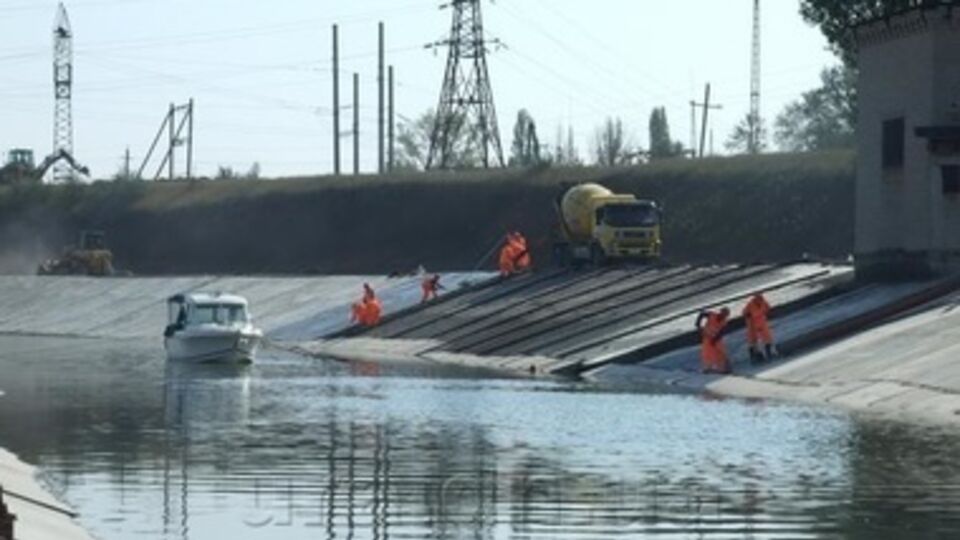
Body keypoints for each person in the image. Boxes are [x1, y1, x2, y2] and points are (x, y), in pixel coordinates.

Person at [742, 293, 778, 363]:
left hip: (762, 323)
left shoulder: (763, 302)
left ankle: (769, 354)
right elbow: (744, 313)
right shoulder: (750, 304)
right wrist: (748, 316)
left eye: (761, 299)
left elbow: (768, 308)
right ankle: (755, 357)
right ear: (755, 299)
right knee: (753, 341)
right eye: (758, 299)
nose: (760, 301)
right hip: (753, 325)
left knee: (767, 338)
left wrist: (767, 313)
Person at [696, 307, 731, 374]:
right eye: (723, 314)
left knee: (721, 351)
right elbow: (703, 314)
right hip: (707, 337)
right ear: (720, 312)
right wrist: (698, 323)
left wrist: (715, 340)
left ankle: (725, 367)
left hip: (717, 338)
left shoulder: (724, 322)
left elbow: (721, 332)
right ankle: (708, 367)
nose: (723, 316)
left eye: (725, 315)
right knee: (706, 352)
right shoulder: (712, 315)